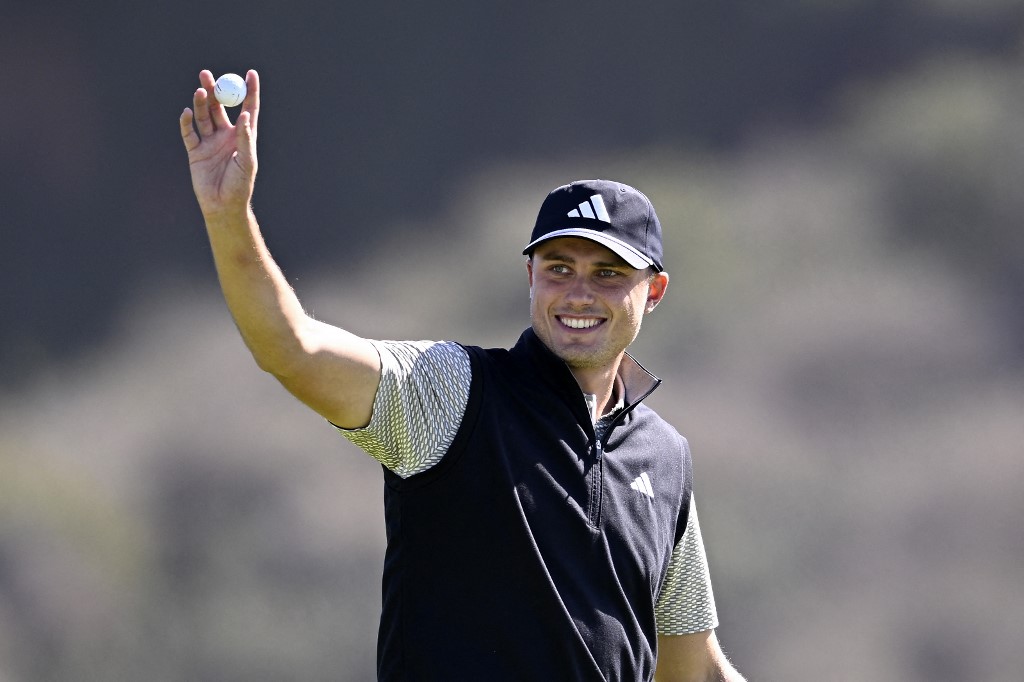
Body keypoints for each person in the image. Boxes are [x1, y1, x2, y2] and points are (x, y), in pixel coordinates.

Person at [179, 68, 746, 682]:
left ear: (654, 290)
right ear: (531, 276)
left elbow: (695, 669)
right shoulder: (452, 392)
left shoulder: (664, 457)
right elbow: (294, 349)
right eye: (559, 268)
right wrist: (227, 216)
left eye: (608, 274)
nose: (579, 294)